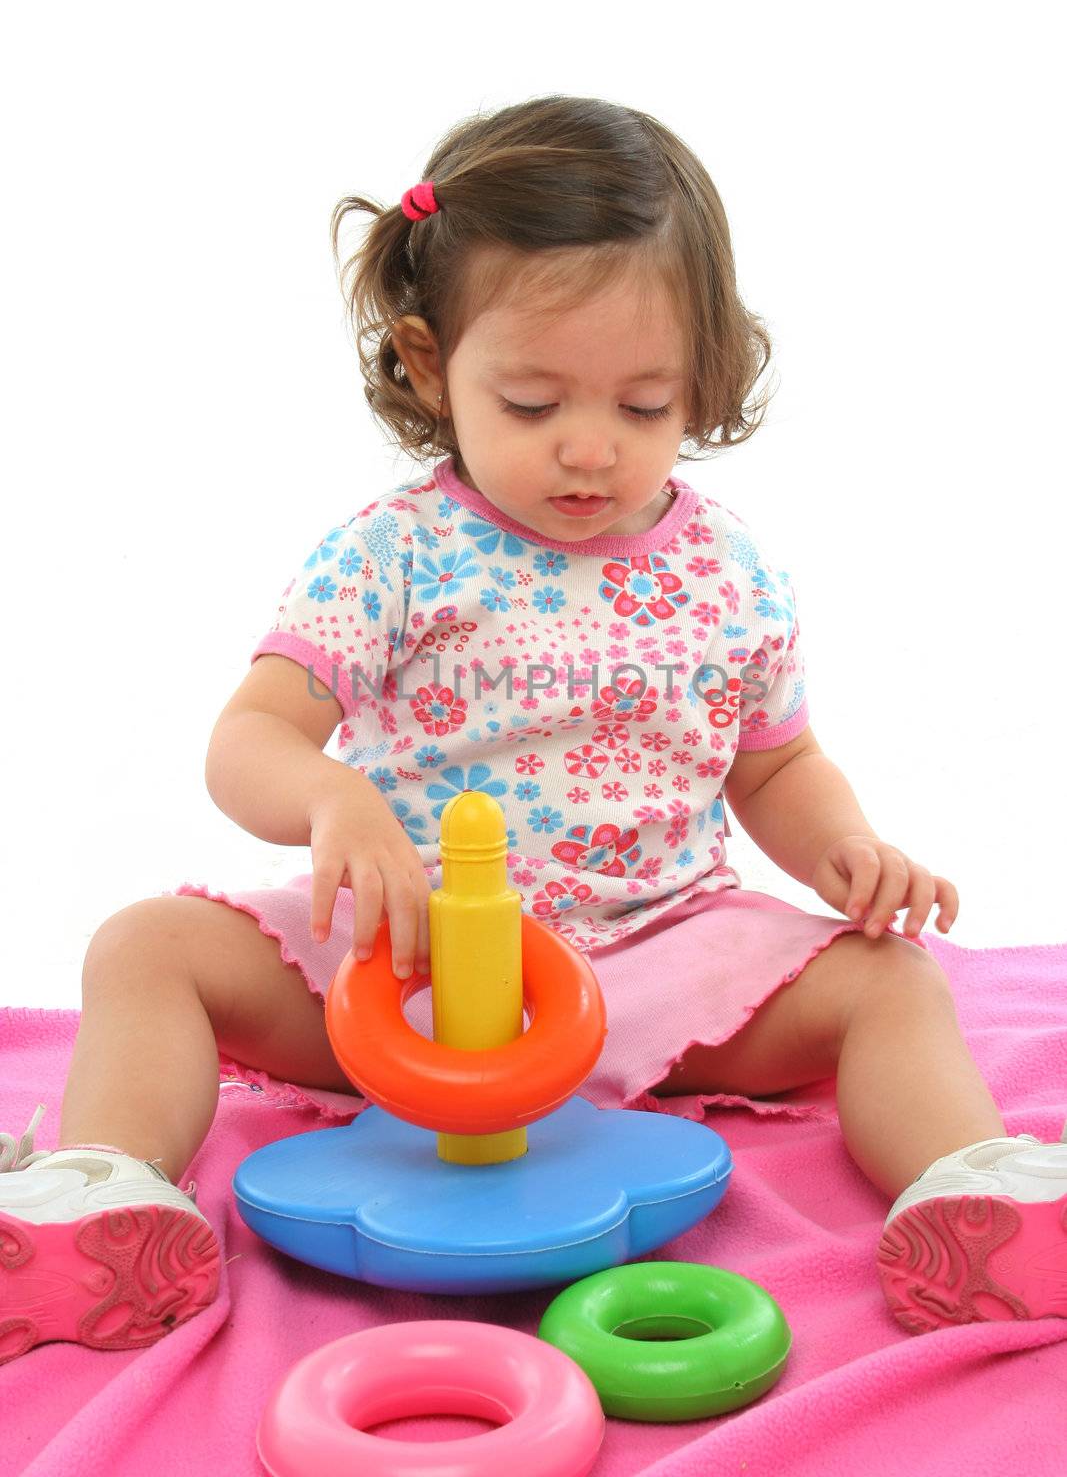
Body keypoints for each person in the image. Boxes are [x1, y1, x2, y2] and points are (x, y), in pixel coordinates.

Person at [2, 95, 1065, 1361]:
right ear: (425, 359)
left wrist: (843, 847)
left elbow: (774, 760)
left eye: (642, 404)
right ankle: (96, 1203)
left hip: (662, 960)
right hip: (405, 979)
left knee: (892, 984)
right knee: (145, 945)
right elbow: (250, 740)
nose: (587, 449)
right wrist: (331, 799)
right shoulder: (394, 554)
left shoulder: (728, 567)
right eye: (529, 401)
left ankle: (977, 1199)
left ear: (702, 381)